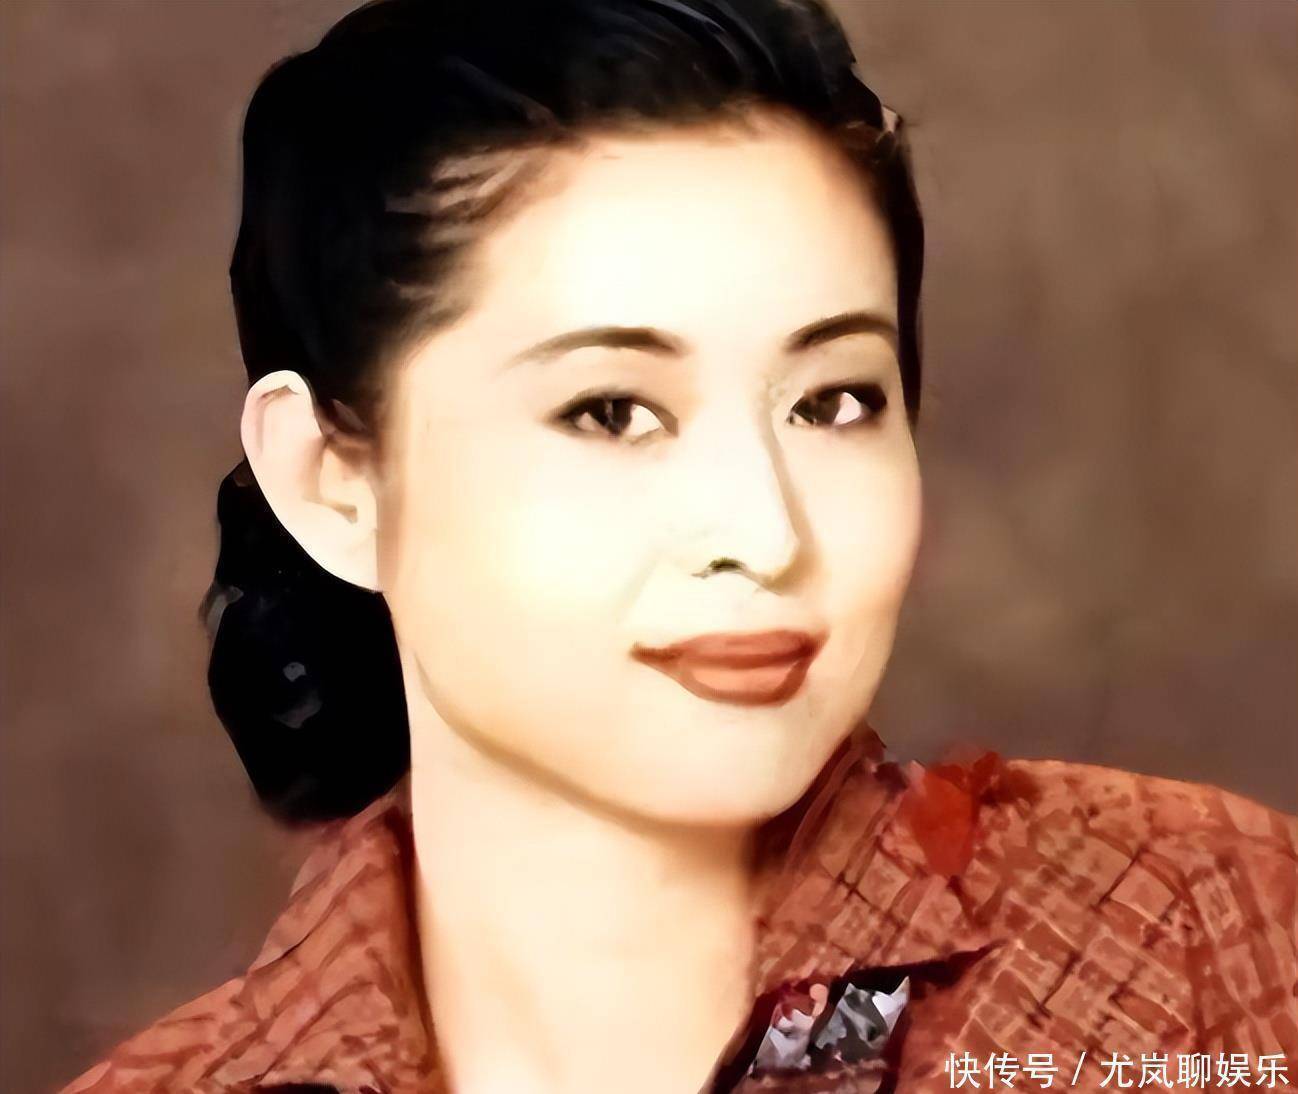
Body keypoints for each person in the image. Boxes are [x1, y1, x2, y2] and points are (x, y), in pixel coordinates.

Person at [63, 1, 1296, 1091]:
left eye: (833, 401)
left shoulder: (1197, 929)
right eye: (610, 410)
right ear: (333, 482)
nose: (765, 533)